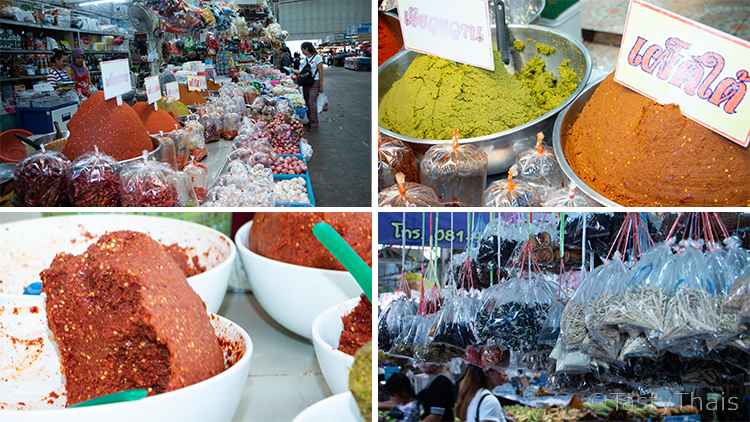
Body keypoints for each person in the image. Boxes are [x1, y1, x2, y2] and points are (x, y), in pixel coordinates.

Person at [297, 41, 324, 128]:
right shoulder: (304, 60)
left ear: (307, 48)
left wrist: (321, 85)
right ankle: (309, 120)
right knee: (306, 101)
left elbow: (321, 72)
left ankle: (315, 122)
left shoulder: (317, 57)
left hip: (315, 82)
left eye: (302, 49)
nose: (302, 51)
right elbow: (301, 72)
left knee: (311, 102)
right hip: (306, 83)